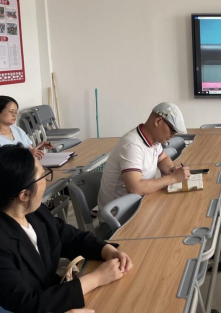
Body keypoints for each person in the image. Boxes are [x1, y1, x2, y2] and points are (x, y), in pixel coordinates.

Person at [0, 145, 133, 313]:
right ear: (24, 195)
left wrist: (106, 250)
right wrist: (96, 278)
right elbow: (27, 302)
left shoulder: (34, 212)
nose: (46, 180)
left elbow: (70, 237)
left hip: (53, 298)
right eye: (43, 175)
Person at [97, 102, 191, 211]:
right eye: (172, 130)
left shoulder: (154, 140)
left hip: (140, 202)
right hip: (119, 214)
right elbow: (135, 189)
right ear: (158, 121)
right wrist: (172, 178)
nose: (173, 135)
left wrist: (171, 169)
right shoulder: (132, 145)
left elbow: (163, 159)